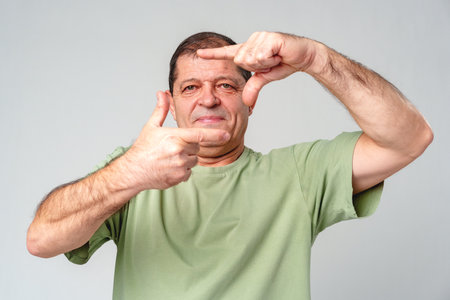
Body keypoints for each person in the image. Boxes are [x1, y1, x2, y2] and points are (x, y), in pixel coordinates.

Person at [27, 31, 433, 299]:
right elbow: (41, 240)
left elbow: (410, 138)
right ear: (170, 103)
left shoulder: (299, 174)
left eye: (225, 85)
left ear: (249, 97)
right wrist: (130, 173)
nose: (208, 99)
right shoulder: (130, 173)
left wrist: (316, 58)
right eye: (191, 87)